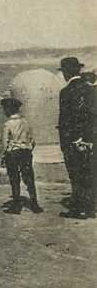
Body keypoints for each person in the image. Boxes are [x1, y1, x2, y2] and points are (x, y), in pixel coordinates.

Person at [58, 57, 95, 219]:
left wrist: (74, 139)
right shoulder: (92, 90)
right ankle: (90, 205)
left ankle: (80, 208)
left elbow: (66, 119)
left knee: (75, 174)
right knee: (90, 172)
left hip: (72, 140)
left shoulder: (66, 92)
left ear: (66, 72)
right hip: (91, 139)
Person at [0, 98, 42, 214]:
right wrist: (27, 149)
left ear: (8, 110)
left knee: (14, 178)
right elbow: (33, 141)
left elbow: (4, 142)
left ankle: (16, 206)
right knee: (29, 178)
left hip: (12, 153)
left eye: (4, 109)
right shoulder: (25, 122)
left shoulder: (7, 124)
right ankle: (35, 204)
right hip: (26, 153)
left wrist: (1, 157)